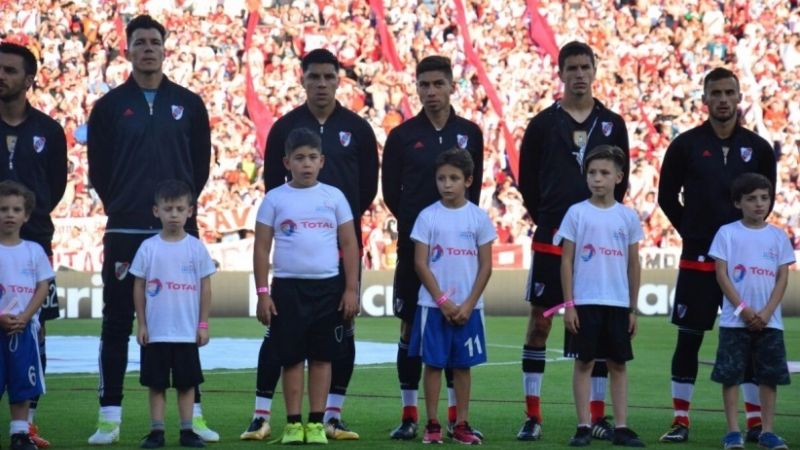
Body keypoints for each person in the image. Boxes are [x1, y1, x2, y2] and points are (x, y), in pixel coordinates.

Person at [86, 15, 215, 445]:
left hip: (179, 231)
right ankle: (109, 417)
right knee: (118, 321)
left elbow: (200, 167)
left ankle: (192, 418)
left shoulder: (190, 103)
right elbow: (99, 171)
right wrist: (128, 204)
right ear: (127, 50)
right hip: (125, 229)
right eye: (139, 42)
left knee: (182, 324)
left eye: (154, 42)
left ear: (165, 49)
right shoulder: (108, 107)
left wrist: (174, 210)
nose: (147, 48)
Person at [244, 48, 378, 442]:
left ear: (339, 80)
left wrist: (340, 232)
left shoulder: (358, 128)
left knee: (340, 336)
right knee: (280, 341)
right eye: (313, 77)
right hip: (292, 262)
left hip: (339, 251)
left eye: (328, 77)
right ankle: (264, 415)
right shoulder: (285, 128)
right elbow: (272, 185)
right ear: (302, 80)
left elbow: (367, 187)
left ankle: (330, 416)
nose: (321, 84)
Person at [516, 41, 629, 441]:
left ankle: (597, 418)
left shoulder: (613, 123)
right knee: (539, 326)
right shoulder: (542, 124)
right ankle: (533, 415)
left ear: (595, 70)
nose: (579, 74)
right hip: (551, 238)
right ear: (560, 73)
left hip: (597, 243)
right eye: (572, 68)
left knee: (597, 330)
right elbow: (526, 180)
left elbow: (623, 181)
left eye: (585, 67)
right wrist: (552, 216)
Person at [657, 68, 777, 443]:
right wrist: (693, 233)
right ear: (705, 99)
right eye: (716, 93)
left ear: (739, 98)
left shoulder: (757, 148)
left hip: (744, 265)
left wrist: (740, 240)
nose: (723, 99)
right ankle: (680, 420)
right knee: (689, 339)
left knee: (750, 342)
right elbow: (666, 197)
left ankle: (755, 422)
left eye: (729, 92)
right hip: (698, 260)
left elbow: (765, 201)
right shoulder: (685, 145)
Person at [382, 55, 484, 440]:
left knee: (457, 332)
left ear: (452, 86)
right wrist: (419, 225)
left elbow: (476, 186)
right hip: (416, 249)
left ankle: (459, 419)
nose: (431, 92)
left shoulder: (470, 133)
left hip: (459, 253)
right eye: (424, 85)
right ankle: (411, 415)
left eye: (438, 84)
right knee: (411, 328)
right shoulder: (403, 135)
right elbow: (391, 191)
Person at [253, 128, 360, 445]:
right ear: (287, 162)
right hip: (287, 289)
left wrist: (350, 288)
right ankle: (292, 423)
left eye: (312, 157)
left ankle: (316, 422)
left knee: (323, 358)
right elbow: (261, 248)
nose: (306, 164)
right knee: (291, 359)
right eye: (299, 158)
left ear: (322, 161)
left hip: (328, 288)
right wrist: (263, 293)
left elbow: (350, 243)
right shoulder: (274, 199)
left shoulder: (334, 197)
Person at [0, 42, 67, 449]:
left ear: (28, 80)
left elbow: (54, 186)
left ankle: (28, 425)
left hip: (34, 242)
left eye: (8, 70)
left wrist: (29, 222)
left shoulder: (48, 130)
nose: (0, 76)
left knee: (33, 333)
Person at [555, 145, 645, 447]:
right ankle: (583, 425)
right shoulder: (576, 213)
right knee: (584, 362)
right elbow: (566, 260)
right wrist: (569, 305)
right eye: (592, 173)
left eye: (604, 173)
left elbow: (634, 263)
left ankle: (621, 426)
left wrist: (633, 308)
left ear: (618, 176)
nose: (597, 179)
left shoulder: (627, 217)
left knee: (618, 364)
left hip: (618, 302)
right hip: (585, 301)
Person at [408, 149, 496, 445]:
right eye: (442, 178)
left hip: (470, 309)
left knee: (462, 366)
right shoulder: (427, 216)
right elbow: (420, 263)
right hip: (433, 307)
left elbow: (486, 266)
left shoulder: (479, 218)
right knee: (432, 364)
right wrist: (443, 301)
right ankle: (432, 423)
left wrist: (468, 304)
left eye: (454, 178)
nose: (447, 184)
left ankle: (461, 423)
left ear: (468, 180)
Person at [708, 173, 793, 450]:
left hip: (770, 321)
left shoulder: (778, 236)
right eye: (752, 199)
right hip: (735, 321)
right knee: (731, 376)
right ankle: (733, 431)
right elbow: (722, 275)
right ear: (738, 203)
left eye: (764, 198)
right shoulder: (727, 233)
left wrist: (767, 311)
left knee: (769, 377)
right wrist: (744, 310)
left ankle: (767, 431)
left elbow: (782, 277)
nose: (759, 204)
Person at [131, 180, 215, 449]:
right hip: (156, 331)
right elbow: (139, 286)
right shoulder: (148, 248)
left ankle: (187, 431)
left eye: (180, 209)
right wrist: (141, 323)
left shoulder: (196, 248)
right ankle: (156, 432)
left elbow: (205, 288)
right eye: (168, 209)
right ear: (157, 211)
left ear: (190, 211)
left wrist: (202, 323)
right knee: (156, 384)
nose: (174, 215)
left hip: (187, 331)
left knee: (187, 383)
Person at [0, 180, 54, 450]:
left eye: (16, 209)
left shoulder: (34, 251)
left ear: (26, 215)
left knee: (23, 382)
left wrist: (27, 316)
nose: (9, 214)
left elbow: (43, 286)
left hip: (24, 330)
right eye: (3, 208)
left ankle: (19, 433)